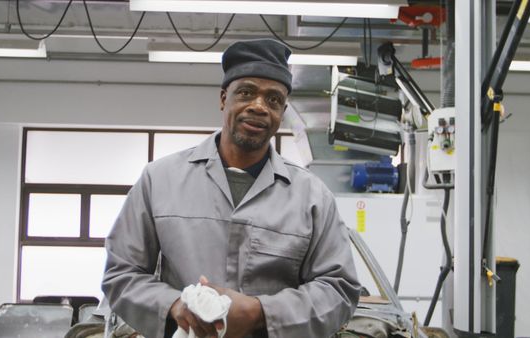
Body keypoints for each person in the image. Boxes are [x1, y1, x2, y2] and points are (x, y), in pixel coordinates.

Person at [102, 39, 361, 338]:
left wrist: (259, 312)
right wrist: (175, 306)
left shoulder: (312, 197)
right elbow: (121, 273)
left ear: (283, 111)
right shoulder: (159, 180)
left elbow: (339, 289)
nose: (259, 107)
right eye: (246, 92)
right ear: (224, 98)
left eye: (273, 99)